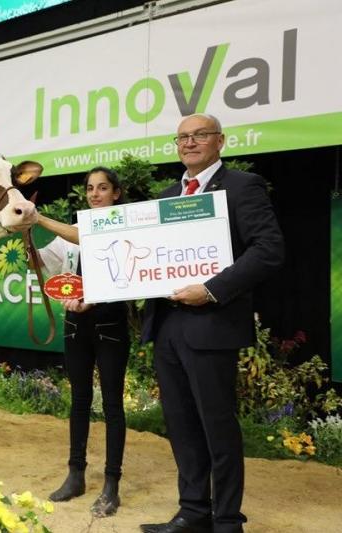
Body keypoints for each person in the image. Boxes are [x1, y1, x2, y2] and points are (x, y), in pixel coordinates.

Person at [139, 114, 284, 533]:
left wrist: (212, 288)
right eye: (182, 137)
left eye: (199, 135)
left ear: (220, 141)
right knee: (181, 426)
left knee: (217, 427)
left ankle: (227, 520)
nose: (189, 143)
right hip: (167, 325)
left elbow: (269, 250)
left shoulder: (242, 187)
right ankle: (193, 512)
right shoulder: (167, 195)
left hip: (213, 321)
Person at [37, 167, 130, 518]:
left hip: (110, 327)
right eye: (90, 188)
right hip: (76, 326)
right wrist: (25, 237)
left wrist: (40, 218)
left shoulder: (121, 227)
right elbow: (45, 262)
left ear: (115, 194)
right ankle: (75, 475)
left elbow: (88, 240)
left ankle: (111, 485)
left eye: (103, 188)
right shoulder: (69, 235)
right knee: (78, 402)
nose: (95, 193)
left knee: (112, 406)